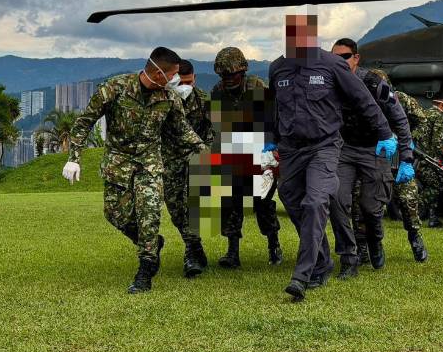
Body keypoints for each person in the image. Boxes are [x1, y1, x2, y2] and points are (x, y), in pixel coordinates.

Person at [270, 14, 394, 302]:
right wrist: (270, 140)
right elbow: (274, 108)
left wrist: (385, 133)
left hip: (323, 146)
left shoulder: (332, 65)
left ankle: (303, 275)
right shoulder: (278, 68)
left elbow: (363, 99)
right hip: (291, 149)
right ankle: (323, 259)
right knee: (292, 201)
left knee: (316, 202)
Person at [62, 47, 206, 294]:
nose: (175, 79)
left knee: (149, 214)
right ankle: (152, 243)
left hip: (149, 163)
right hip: (118, 163)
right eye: (172, 74)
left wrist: (206, 151)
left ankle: (145, 271)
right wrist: (74, 158)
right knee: (114, 214)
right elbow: (85, 121)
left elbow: (182, 131)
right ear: (159, 73)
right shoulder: (114, 88)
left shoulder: (169, 98)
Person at [328, 40, 417, 273]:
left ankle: (375, 241)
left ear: (356, 58)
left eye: (344, 57)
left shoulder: (374, 84)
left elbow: (399, 118)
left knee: (371, 207)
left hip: (375, 149)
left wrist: (406, 156)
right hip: (344, 150)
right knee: (336, 200)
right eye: (334, 58)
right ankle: (349, 254)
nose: (339, 62)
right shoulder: (330, 84)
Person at [211, 46, 282, 268]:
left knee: (262, 203)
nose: (228, 79)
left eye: (232, 74)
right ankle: (233, 252)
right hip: (233, 152)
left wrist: (271, 146)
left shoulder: (257, 87)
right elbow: (218, 126)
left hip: (261, 152)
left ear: (242, 71)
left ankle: (274, 246)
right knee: (230, 203)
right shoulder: (217, 91)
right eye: (224, 75)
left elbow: (270, 120)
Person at [162, 60, 215, 277]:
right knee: (174, 206)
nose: (185, 87)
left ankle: (191, 252)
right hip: (170, 158)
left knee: (192, 205)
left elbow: (213, 130)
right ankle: (194, 246)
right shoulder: (163, 99)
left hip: (196, 157)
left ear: (194, 78)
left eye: (189, 82)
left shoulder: (203, 100)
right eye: (180, 82)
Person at [371, 68, 429, 263]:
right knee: (369, 204)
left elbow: (422, 121)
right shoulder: (363, 97)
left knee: (408, 199)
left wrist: (409, 141)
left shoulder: (400, 99)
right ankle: (371, 246)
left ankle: (415, 238)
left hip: (401, 156)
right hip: (375, 157)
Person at [416, 93, 443, 228]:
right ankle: (412, 208)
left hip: (420, 157)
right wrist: (442, 159)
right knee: (435, 188)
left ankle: (433, 218)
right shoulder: (439, 117)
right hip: (430, 160)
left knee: (431, 186)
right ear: (442, 104)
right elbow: (437, 142)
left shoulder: (424, 114)